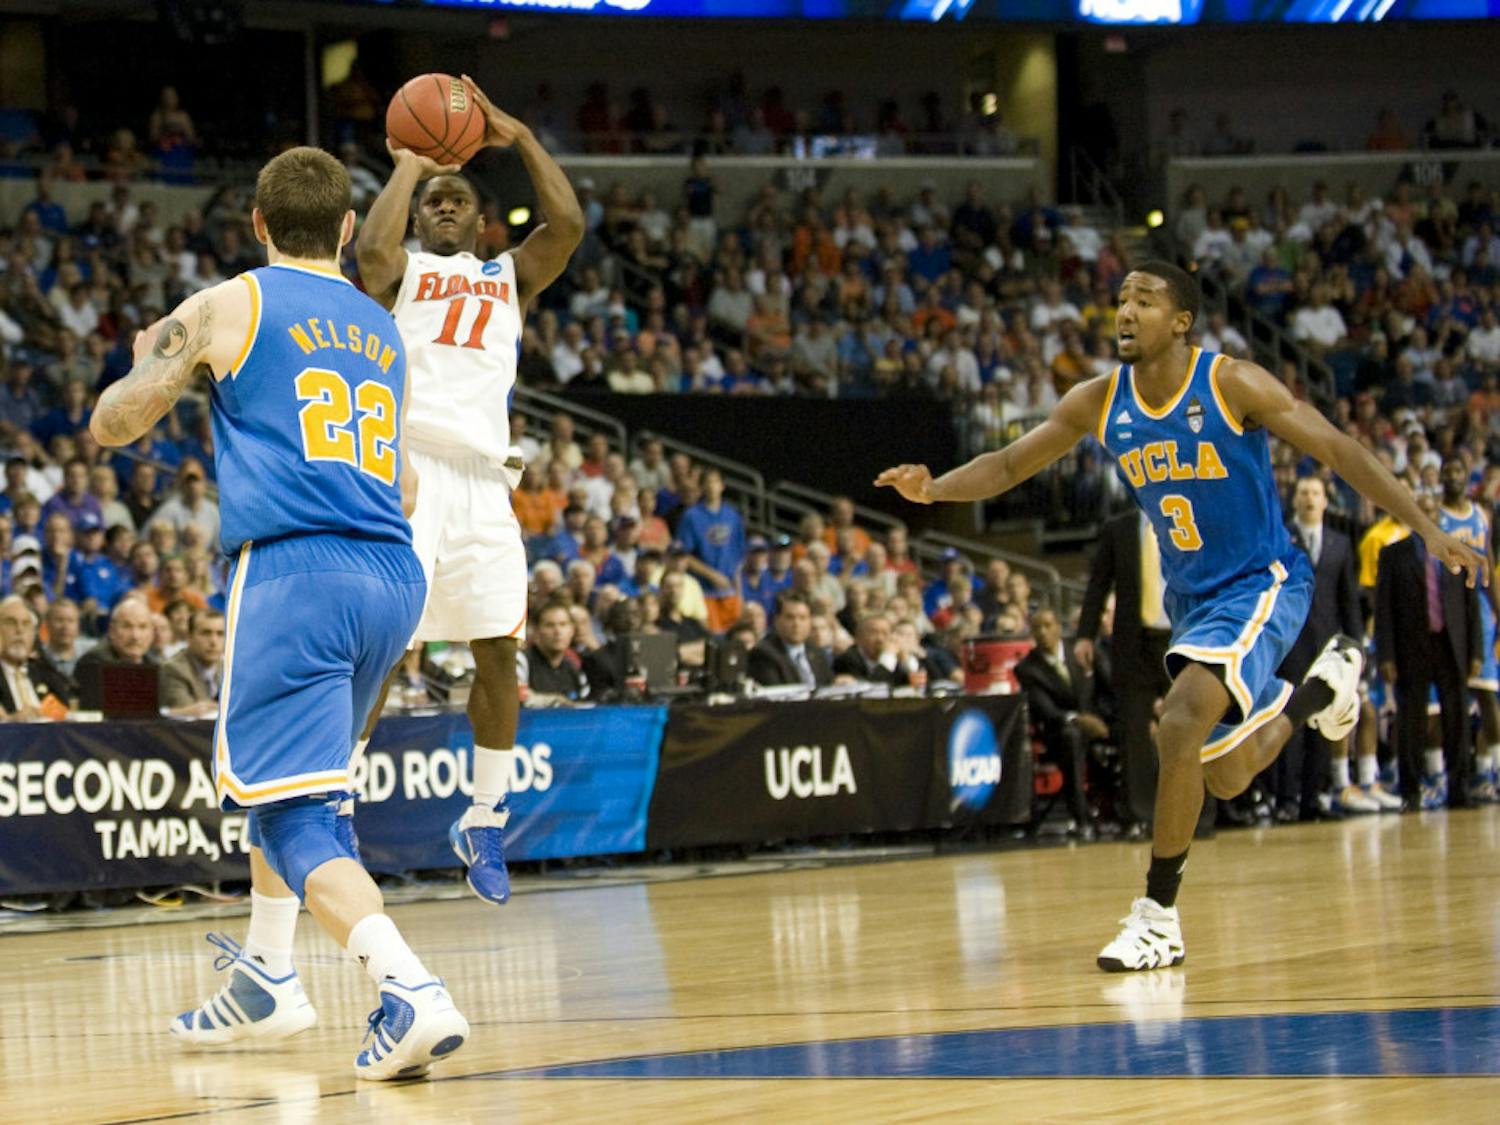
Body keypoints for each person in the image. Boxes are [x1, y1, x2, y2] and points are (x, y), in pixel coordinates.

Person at [876, 260, 1484, 973]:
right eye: (1121, 299)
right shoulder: (1100, 400)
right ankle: (1323, 688)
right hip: (1193, 601)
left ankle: (1158, 914)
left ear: (1182, 320)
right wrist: (935, 487)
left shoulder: (1232, 384)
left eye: (1144, 299)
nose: (1125, 311)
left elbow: (1339, 449)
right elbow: (1011, 464)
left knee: (1180, 719)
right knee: (1222, 773)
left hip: (1263, 580)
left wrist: (1428, 526)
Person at [90, 146, 464, 1079]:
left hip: (300, 573)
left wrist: (144, 365)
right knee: (294, 786)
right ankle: (265, 972)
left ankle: (406, 987)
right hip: (392, 573)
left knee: (295, 815)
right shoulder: (380, 329)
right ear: (346, 230)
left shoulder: (233, 302)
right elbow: (407, 484)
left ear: (257, 224)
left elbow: (117, 423)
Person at [352, 75, 582, 905]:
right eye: (434, 200)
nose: (446, 207)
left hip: (487, 480)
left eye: (459, 198)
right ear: (419, 213)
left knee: (498, 649)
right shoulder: (402, 267)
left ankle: (483, 815)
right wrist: (412, 165)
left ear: (483, 220)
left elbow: (570, 225)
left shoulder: (508, 277)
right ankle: (338, 793)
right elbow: (368, 256)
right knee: (386, 644)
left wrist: (518, 137)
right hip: (409, 472)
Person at [1377, 491, 1482, 810]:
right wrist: (1386, 655)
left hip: (1452, 644)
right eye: (1421, 509)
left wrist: (1476, 651)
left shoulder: (1456, 550)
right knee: (1411, 721)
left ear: (1439, 514)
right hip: (1411, 645)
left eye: (1432, 509)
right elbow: (1384, 608)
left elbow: (1471, 604)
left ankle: (1459, 789)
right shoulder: (1393, 554)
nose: (1428, 514)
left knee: (1457, 720)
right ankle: (1410, 792)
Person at [1436, 456, 1500, 802]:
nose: (1454, 475)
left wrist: (1498, 611)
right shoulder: (1437, 518)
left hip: (1479, 611)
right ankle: (1450, 775)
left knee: (1488, 694)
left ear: (1467, 477)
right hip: (1448, 611)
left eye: (1459, 470)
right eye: (1449, 470)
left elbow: (1488, 562)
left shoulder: (1479, 515)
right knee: (1454, 699)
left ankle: (1491, 770)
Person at [1014, 607, 1100, 838]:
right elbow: (1046, 710)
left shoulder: (1080, 652)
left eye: (1048, 625)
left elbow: (1103, 688)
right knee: (1071, 738)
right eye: (1037, 628)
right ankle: (1081, 818)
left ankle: (1132, 815)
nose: (1043, 632)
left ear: (1059, 628)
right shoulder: (1026, 668)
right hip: (1059, 733)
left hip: (1097, 723)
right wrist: (1079, 720)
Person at [0, 595, 74, 719]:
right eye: (11, 622)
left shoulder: (45, 671)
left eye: (26, 624)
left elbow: (66, 715)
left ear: (34, 635)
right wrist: (12, 720)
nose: (19, 630)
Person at [749, 591, 833, 689]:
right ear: (776, 621)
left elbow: (829, 686)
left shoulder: (816, 651)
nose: (796, 624)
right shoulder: (763, 654)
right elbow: (777, 696)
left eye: (802, 618)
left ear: (810, 621)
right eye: (790, 618)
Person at [158, 607, 224, 719]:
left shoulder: (227, 668)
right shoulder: (173, 669)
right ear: (189, 636)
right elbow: (189, 717)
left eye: (220, 634)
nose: (214, 641)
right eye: (206, 633)